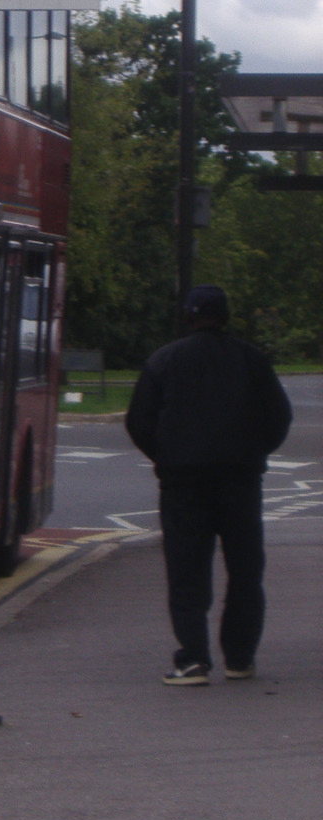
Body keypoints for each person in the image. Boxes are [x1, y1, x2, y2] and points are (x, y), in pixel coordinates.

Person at [124, 285, 291, 686]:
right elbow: (278, 417)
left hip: (183, 482)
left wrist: (165, 456)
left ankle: (193, 659)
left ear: (188, 316)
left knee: (187, 571)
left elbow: (138, 421)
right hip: (240, 479)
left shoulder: (164, 360)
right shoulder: (252, 360)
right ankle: (239, 656)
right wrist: (254, 452)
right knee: (245, 570)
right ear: (226, 315)